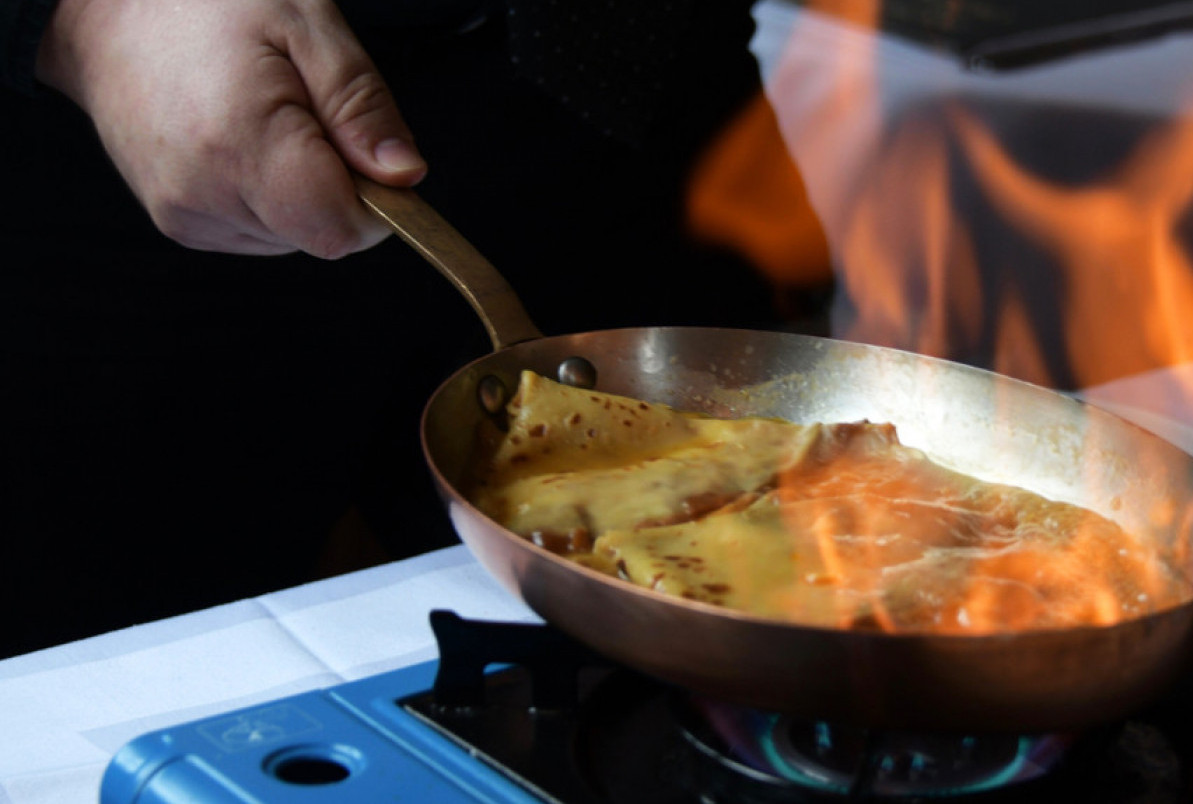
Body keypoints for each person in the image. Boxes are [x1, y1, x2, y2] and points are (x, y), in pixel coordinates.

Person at [0, 0, 830, 657]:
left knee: (750, 614)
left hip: (632, 75)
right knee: (122, 667)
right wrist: (84, 15)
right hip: (151, 105)